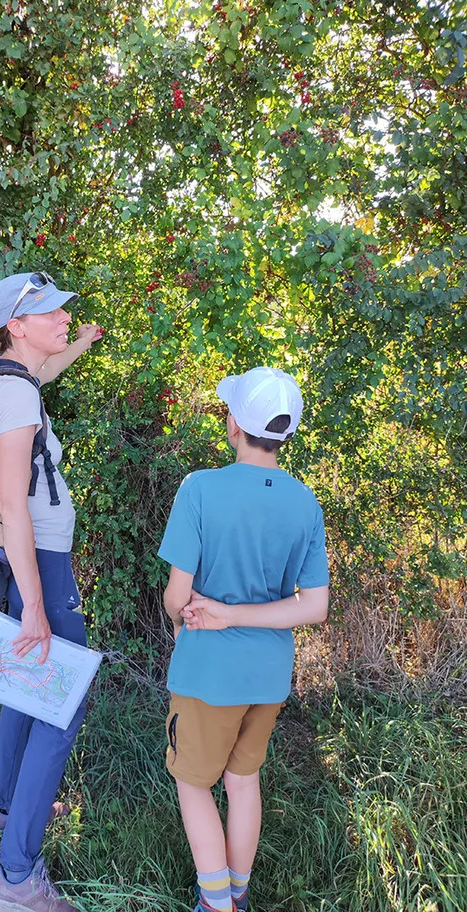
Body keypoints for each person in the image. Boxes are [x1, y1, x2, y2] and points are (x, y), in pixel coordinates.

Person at [158, 367, 330, 912]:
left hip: (208, 674)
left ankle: (216, 903)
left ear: (233, 423)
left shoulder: (200, 489)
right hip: (268, 676)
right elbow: (315, 605)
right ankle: (237, 892)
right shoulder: (306, 503)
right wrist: (242, 616)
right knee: (243, 780)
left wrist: (210, 615)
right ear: (285, 433)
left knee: (193, 784)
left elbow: (176, 597)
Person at [0, 271, 102, 912]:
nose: (61, 316)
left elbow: (41, 377)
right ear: (17, 327)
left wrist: (79, 341)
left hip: (25, 561)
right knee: (60, 701)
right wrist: (34, 608)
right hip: (41, 565)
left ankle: (3, 810)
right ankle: (17, 877)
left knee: (24, 691)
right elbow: (17, 507)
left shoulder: (1, 379)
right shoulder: (17, 399)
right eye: (49, 312)